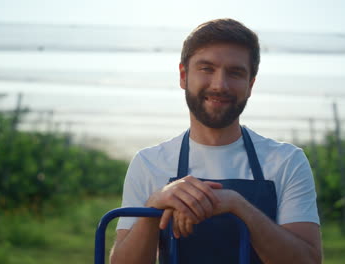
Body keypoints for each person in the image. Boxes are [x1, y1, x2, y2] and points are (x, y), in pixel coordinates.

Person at [110, 18, 322, 264]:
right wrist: (153, 207)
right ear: (183, 76)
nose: (220, 85)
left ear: (250, 84)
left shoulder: (287, 161)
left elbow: (308, 261)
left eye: (235, 72)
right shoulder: (149, 163)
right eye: (206, 68)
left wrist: (238, 206)